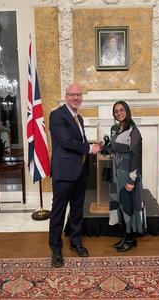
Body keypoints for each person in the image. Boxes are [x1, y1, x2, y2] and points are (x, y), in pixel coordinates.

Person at [49, 83, 101, 267]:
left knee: (77, 211)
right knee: (58, 212)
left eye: (79, 95)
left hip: (79, 172)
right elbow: (66, 141)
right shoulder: (57, 115)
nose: (76, 98)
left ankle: (76, 243)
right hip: (63, 173)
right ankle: (55, 249)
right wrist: (90, 148)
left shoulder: (79, 118)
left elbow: (80, 141)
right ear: (66, 96)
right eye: (72, 94)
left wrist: (94, 145)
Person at [101, 101, 147, 252]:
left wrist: (131, 180)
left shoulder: (134, 131)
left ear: (127, 111)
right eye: (116, 111)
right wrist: (103, 147)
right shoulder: (114, 129)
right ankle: (125, 235)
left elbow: (136, 157)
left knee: (128, 205)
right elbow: (112, 150)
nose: (119, 113)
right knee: (120, 203)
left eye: (121, 110)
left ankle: (130, 238)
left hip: (127, 173)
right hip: (116, 172)